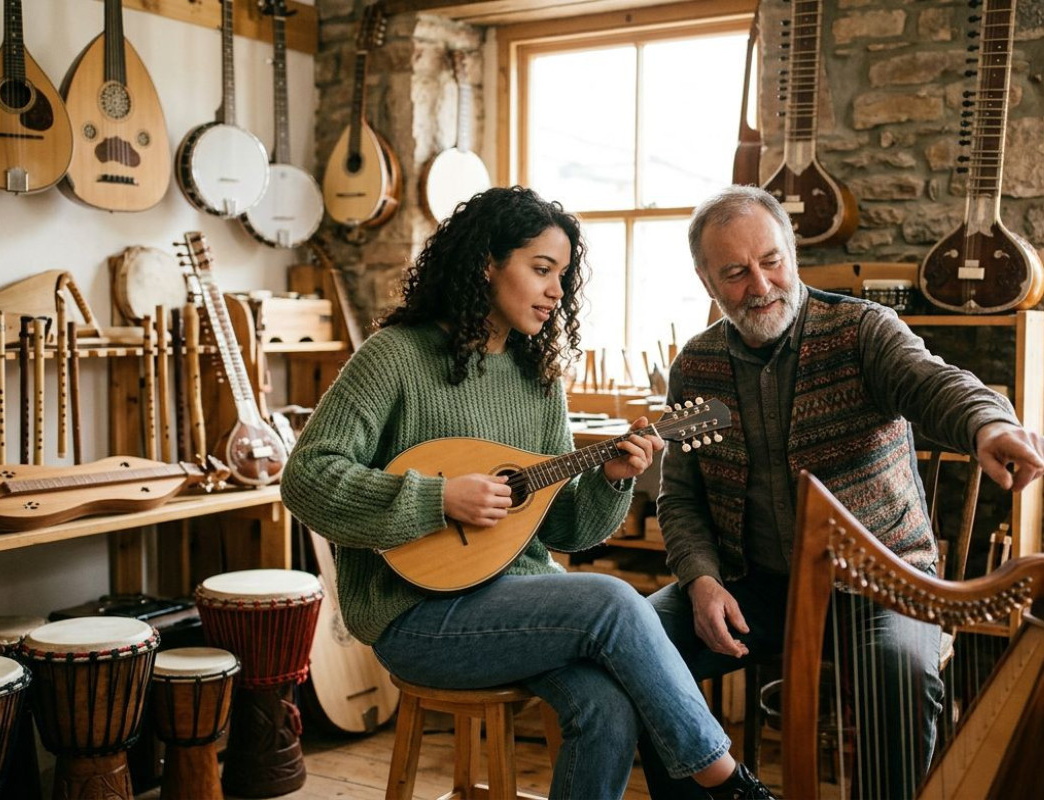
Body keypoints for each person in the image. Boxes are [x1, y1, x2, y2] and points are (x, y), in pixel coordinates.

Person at [281, 186, 773, 800]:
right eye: (541, 269)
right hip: (415, 619)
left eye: (562, 275)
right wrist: (438, 499)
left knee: (606, 706)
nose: (556, 291)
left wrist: (611, 479)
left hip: (518, 603)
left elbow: (564, 528)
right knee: (613, 599)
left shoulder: (538, 379)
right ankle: (728, 784)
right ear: (487, 263)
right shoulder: (395, 357)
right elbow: (306, 478)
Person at [640, 185, 1044, 800]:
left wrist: (989, 426)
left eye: (771, 261)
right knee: (635, 645)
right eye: (735, 273)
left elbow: (934, 383)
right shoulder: (696, 367)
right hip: (754, 585)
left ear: (793, 254)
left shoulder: (861, 330)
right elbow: (681, 497)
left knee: (900, 671)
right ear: (706, 282)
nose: (760, 285)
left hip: (881, 579)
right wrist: (700, 579)